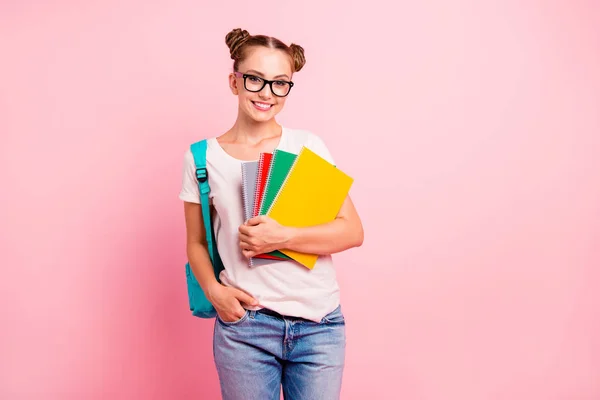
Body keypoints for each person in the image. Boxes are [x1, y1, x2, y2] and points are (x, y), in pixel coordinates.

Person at [179, 27, 364, 400]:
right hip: (246, 327)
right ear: (234, 82)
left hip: (319, 326)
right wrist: (215, 292)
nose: (267, 93)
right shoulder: (202, 157)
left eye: (280, 83)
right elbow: (197, 242)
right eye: (255, 80)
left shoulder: (305, 147)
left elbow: (351, 231)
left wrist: (283, 236)